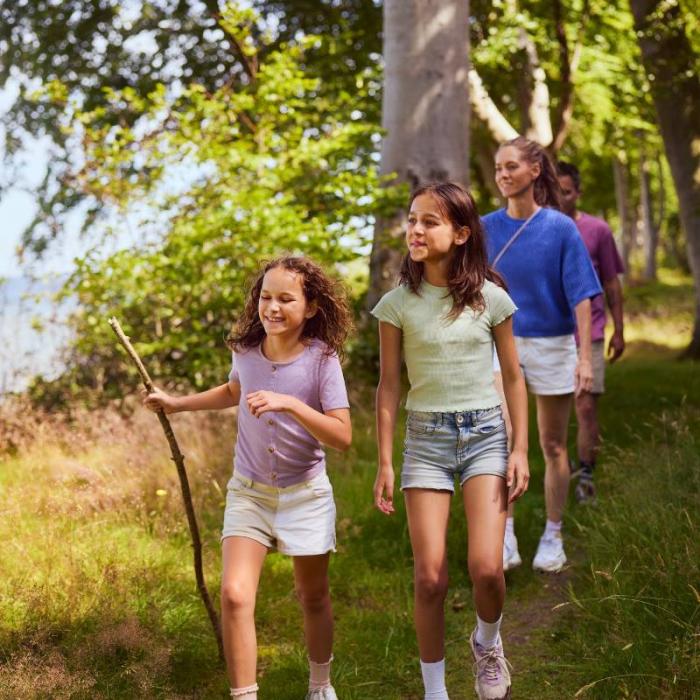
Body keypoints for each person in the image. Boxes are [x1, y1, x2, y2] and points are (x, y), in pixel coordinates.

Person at [143, 256, 352, 700]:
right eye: (266, 296)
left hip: (305, 495)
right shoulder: (245, 351)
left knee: (311, 596)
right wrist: (177, 403)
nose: (272, 307)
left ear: (311, 306)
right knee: (236, 595)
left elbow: (343, 436)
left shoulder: (322, 361)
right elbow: (234, 390)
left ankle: (320, 685)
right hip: (249, 492)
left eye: (285, 299)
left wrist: (290, 404)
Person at [372, 182, 530, 700]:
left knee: (486, 568)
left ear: (461, 234)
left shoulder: (492, 298)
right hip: (426, 442)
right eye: (413, 220)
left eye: (430, 222)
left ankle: (487, 643)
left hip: (485, 433)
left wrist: (520, 447)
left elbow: (512, 376)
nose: (416, 230)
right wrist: (385, 462)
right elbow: (389, 385)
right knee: (429, 579)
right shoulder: (397, 304)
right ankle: (434, 691)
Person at [483, 136, 602, 574]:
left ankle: (553, 535)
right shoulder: (483, 228)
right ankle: (506, 533)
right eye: (498, 167)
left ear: (534, 171)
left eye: (511, 166)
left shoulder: (560, 228)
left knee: (552, 444)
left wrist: (585, 359)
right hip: (501, 345)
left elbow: (584, 296)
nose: (502, 174)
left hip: (553, 344)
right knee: (503, 440)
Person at [557, 161, 626, 503]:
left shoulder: (598, 230)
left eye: (566, 192)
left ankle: (586, 474)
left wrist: (620, 329)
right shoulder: (539, 229)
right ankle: (557, 463)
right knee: (555, 408)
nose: (560, 197)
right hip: (550, 336)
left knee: (585, 407)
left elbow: (612, 282)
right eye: (554, 191)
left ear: (578, 193)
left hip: (591, 332)